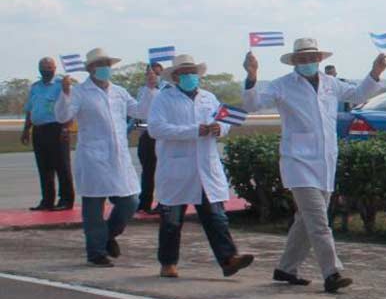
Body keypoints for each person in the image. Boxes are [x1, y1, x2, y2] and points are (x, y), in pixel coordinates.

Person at [243, 37, 386, 293]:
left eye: (312, 57)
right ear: (294, 61)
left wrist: (375, 72)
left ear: (320, 59)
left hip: (325, 161)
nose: (308, 62)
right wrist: (252, 75)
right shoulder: (283, 85)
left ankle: (286, 268)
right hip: (297, 161)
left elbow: (358, 94)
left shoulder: (331, 84)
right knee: (319, 221)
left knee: (306, 220)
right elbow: (253, 104)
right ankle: (332, 272)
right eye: (302, 58)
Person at [147, 54, 255, 279]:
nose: (189, 76)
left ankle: (228, 259)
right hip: (177, 168)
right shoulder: (164, 99)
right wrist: (194, 130)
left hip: (205, 167)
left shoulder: (209, 98)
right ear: (175, 76)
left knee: (216, 217)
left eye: (192, 72)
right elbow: (156, 129)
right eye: (184, 73)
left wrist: (219, 129)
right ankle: (168, 262)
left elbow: (224, 121)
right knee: (172, 220)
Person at [54, 48, 157, 266]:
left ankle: (108, 235)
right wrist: (64, 95)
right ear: (90, 69)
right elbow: (64, 116)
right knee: (93, 207)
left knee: (130, 201)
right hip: (93, 157)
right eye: (100, 65)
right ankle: (96, 252)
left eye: (107, 64)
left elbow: (141, 112)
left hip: (118, 156)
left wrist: (149, 89)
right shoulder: (80, 92)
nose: (105, 69)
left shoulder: (119, 92)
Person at [22, 57, 74, 211]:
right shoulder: (35, 87)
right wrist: (26, 129)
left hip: (57, 129)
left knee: (62, 166)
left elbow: (70, 108)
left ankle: (66, 200)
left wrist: (66, 128)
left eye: (48, 67)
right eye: (42, 67)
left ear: (54, 68)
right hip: (39, 130)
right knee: (44, 167)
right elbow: (30, 110)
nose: (45, 70)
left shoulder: (61, 85)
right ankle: (47, 200)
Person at [135, 62, 164, 215]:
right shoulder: (142, 91)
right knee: (147, 171)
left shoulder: (167, 91)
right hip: (147, 135)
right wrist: (141, 131)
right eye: (150, 73)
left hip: (162, 136)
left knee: (162, 171)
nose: (153, 76)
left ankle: (163, 202)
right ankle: (144, 202)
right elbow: (140, 114)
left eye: (157, 74)